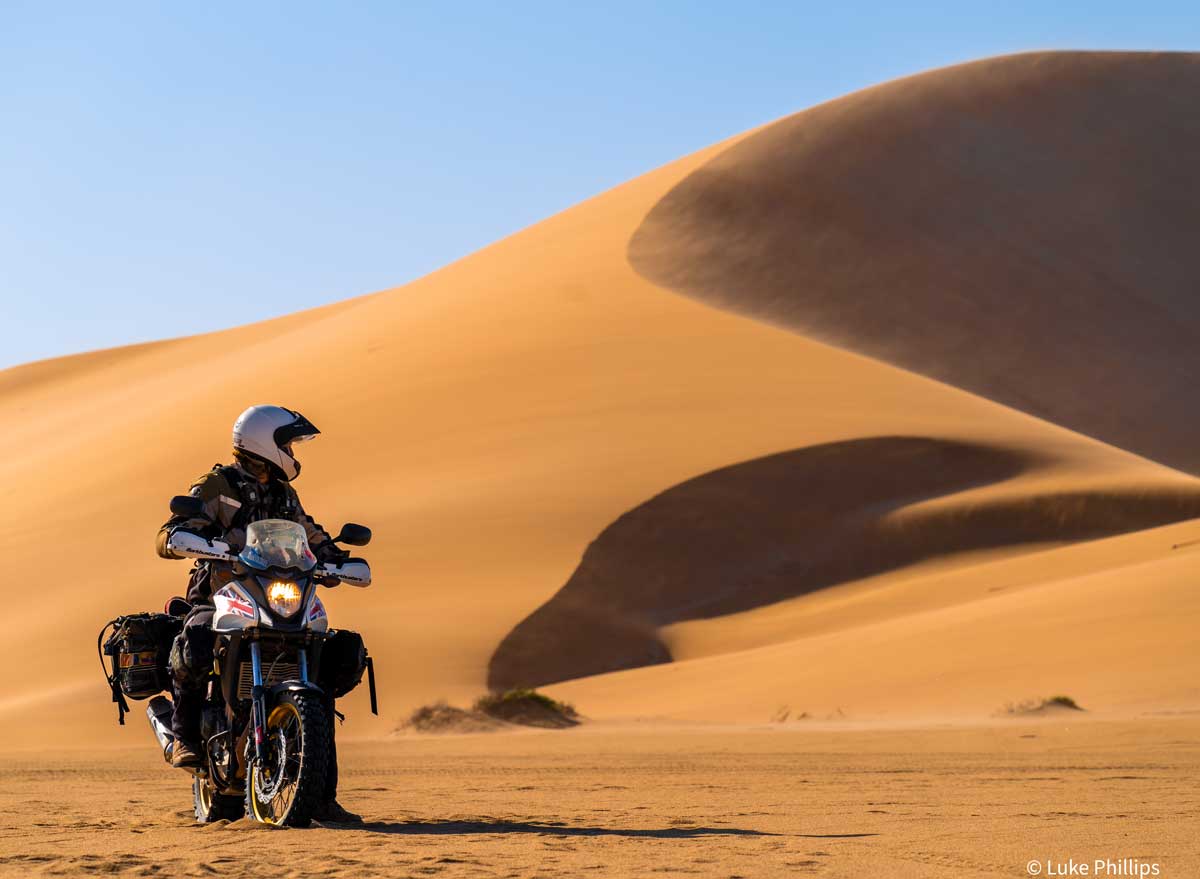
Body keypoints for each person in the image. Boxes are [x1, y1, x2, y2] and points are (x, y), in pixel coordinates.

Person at [156, 404, 357, 822]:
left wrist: (333, 556)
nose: (294, 452)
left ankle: (322, 795)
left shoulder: (284, 493)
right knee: (195, 634)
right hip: (223, 590)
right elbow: (170, 531)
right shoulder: (217, 484)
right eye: (289, 443)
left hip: (278, 592)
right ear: (265, 441)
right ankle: (184, 736)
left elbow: (309, 531)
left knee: (327, 664)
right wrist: (184, 537)